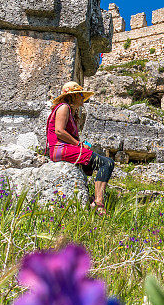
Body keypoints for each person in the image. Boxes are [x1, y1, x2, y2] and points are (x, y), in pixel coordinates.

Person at [46, 81, 114, 215]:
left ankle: (94, 197)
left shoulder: (70, 111)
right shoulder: (63, 107)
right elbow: (59, 131)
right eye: (80, 94)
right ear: (73, 96)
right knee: (106, 162)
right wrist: (78, 144)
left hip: (62, 149)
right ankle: (98, 202)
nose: (83, 97)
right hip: (60, 149)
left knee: (94, 163)